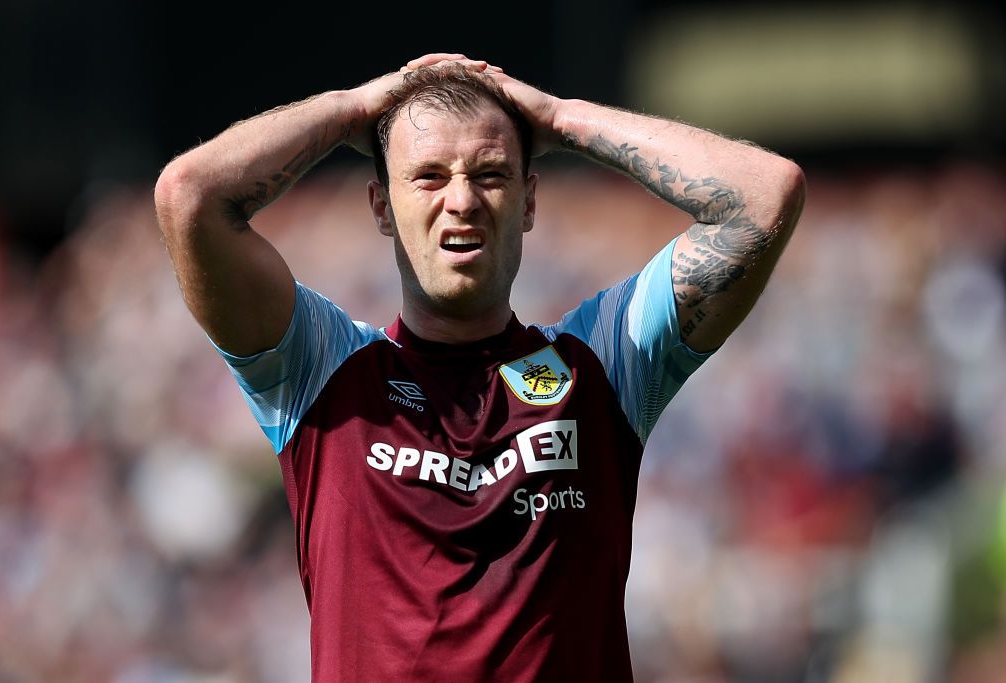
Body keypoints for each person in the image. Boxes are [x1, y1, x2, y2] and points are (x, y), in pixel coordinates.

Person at [154, 52, 805, 682]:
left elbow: (764, 195)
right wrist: (353, 110)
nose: (462, 199)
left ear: (528, 201)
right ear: (381, 206)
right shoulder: (320, 370)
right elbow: (190, 196)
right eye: (429, 176)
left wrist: (562, 119)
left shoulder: (604, 362)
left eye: (490, 174)